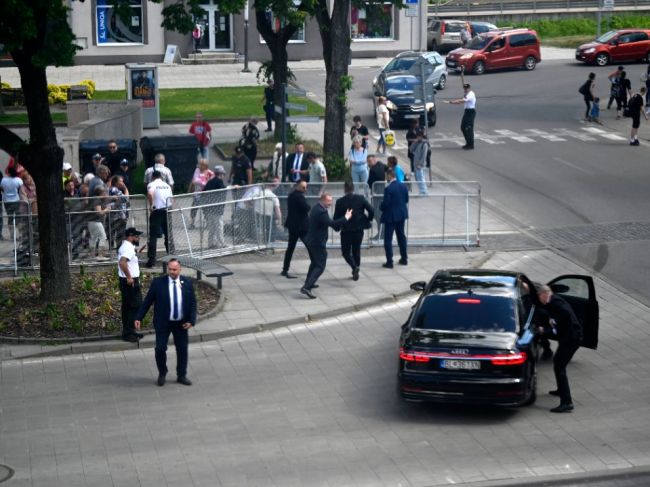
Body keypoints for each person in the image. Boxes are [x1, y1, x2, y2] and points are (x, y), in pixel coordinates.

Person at [135, 258, 197, 387]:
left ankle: (181, 375)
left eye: (174, 269)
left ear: (180, 269)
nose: (172, 272)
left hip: (181, 323)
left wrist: (191, 321)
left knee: (182, 349)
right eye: (170, 269)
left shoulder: (187, 282)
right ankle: (162, 372)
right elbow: (147, 301)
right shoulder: (158, 283)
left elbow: (192, 303)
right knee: (160, 348)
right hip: (164, 322)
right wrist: (138, 317)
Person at [536, 284, 582, 413]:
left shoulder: (557, 305)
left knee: (560, 367)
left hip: (571, 340)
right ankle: (560, 391)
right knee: (558, 363)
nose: (539, 300)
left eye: (539, 297)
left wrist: (544, 330)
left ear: (544, 294)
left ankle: (567, 402)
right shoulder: (553, 301)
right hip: (568, 338)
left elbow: (560, 323)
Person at [300, 193, 352, 299]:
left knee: (314, 263)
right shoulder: (321, 212)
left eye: (331, 201)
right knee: (320, 266)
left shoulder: (317, 208)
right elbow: (332, 224)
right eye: (328, 201)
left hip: (311, 241)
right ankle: (306, 287)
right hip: (317, 243)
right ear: (322, 200)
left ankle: (309, 282)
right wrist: (346, 218)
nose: (330, 203)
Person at [333, 180, 374, 281]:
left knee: (346, 252)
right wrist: (368, 219)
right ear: (353, 189)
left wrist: (337, 227)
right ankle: (357, 268)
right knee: (357, 250)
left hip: (346, 230)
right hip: (358, 229)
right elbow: (371, 210)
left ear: (345, 189)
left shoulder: (340, 202)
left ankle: (354, 266)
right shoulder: (360, 198)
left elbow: (336, 217)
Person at [118, 227, 145, 343]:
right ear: (131, 236)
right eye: (136, 236)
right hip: (130, 281)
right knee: (136, 306)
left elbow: (128, 258)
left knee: (128, 307)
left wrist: (138, 252)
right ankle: (128, 333)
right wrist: (129, 277)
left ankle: (129, 331)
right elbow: (122, 262)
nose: (138, 238)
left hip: (125, 281)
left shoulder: (127, 246)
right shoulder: (128, 247)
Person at [281, 180, 310, 279]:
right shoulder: (299, 197)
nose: (305, 189)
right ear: (297, 186)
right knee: (309, 246)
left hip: (293, 226)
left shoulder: (291, 195)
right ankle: (315, 265)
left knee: (290, 248)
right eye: (303, 187)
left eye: (305, 187)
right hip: (301, 227)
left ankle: (285, 269)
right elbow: (306, 208)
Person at [381, 168, 408, 268]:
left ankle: (389, 261)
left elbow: (386, 203)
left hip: (391, 216)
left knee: (388, 239)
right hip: (401, 215)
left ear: (389, 176)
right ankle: (404, 258)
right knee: (401, 237)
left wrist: (381, 206)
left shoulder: (388, 189)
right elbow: (406, 199)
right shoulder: (403, 186)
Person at [145, 171, 173, 268]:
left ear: (153, 177)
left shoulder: (152, 184)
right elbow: (171, 199)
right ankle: (172, 257)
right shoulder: (167, 185)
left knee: (153, 236)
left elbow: (150, 193)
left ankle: (151, 260)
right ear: (161, 177)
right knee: (168, 235)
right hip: (167, 210)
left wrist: (151, 205)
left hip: (157, 211)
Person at [202, 165, 227, 248]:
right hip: (217, 209)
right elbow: (222, 192)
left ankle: (211, 243)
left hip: (209, 208)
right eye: (223, 174)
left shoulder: (210, 182)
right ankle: (222, 243)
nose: (223, 176)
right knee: (219, 226)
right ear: (221, 174)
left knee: (212, 228)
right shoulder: (219, 182)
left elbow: (203, 193)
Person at [448, 83, 476, 150]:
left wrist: (452, 102)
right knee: (463, 127)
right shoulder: (467, 94)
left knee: (469, 128)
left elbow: (461, 101)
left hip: (470, 112)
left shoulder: (470, 95)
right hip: (467, 112)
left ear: (469, 88)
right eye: (464, 88)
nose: (465, 89)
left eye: (466, 88)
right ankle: (468, 143)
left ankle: (471, 145)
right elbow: (463, 100)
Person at [188, 158, 214, 229]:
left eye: (201, 164)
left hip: (205, 195)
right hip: (197, 194)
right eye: (199, 164)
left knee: (206, 209)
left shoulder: (210, 173)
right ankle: (192, 223)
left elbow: (211, 183)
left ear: (205, 166)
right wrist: (190, 189)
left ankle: (208, 223)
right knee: (193, 209)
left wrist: (201, 182)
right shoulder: (197, 170)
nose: (199, 165)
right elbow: (194, 180)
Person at [367, 154, 387, 239]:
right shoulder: (382, 165)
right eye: (368, 162)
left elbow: (369, 182)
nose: (369, 163)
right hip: (382, 191)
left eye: (370, 161)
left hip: (377, 192)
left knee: (377, 213)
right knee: (378, 213)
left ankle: (381, 234)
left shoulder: (373, 170)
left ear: (374, 160)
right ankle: (382, 233)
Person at [1, 166, 23, 240]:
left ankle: (12, 235)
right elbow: (20, 190)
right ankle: (20, 234)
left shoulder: (3, 180)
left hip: (7, 201)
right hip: (16, 200)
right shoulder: (18, 180)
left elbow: (2, 189)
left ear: (8, 172)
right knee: (18, 218)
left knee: (10, 218)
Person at [88, 186, 110, 259]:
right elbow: (99, 212)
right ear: (101, 193)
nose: (106, 194)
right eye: (105, 192)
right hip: (95, 222)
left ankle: (92, 256)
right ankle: (100, 256)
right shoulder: (97, 200)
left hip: (91, 222)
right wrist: (107, 210)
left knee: (93, 238)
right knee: (103, 237)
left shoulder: (96, 199)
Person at [108, 175, 129, 249]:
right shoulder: (115, 190)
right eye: (121, 181)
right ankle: (118, 249)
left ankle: (114, 248)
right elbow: (126, 199)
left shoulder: (111, 189)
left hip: (116, 215)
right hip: (118, 216)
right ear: (116, 182)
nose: (122, 183)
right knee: (119, 234)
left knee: (113, 233)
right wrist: (125, 188)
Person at [409, 129, 429, 195]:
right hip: (415, 163)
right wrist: (414, 142)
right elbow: (411, 150)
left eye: (418, 136)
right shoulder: (417, 143)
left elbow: (424, 156)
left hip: (420, 165)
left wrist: (420, 164)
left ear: (421, 136)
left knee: (421, 178)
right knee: (417, 178)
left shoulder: (424, 144)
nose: (417, 138)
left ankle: (423, 191)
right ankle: (421, 190)